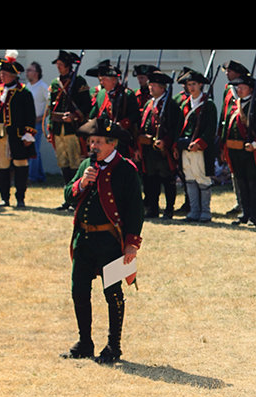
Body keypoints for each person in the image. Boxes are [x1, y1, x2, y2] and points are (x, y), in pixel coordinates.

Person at [61, 114, 143, 366]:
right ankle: (85, 342)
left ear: (112, 144)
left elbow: (135, 210)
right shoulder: (86, 165)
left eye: (98, 142)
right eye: (91, 141)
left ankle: (113, 346)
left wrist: (131, 243)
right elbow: (68, 195)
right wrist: (81, 183)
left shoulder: (126, 169)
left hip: (110, 241)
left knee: (112, 293)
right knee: (79, 291)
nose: (92, 146)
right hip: (84, 239)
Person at [0, 51, 38, 209]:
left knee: (21, 166)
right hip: (1, 135)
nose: (2, 76)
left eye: (5, 74)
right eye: (1, 73)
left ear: (13, 75)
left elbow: (30, 115)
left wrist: (29, 134)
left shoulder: (24, 92)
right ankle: (4, 198)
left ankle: (20, 198)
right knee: (2, 167)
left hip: (19, 135)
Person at [220, 74, 256, 227]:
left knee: (252, 183)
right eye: (238, 87)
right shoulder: (236, 105)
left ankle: (253, 215)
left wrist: (255, 144)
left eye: (242, 87)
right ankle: (245, 212)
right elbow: (226, 127)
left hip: (250, 150)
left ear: (250, 89)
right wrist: (223, 147)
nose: (239, 90)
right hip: (235, 150)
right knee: (241, 182)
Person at [48, 51, 92, 212]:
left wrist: (74, 115)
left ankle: (77, 198)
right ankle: (68, 197)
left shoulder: (79, 82)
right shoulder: (55, 83)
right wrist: (50, 127)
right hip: (58, 129)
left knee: (75, 165)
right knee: (64, 164)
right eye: (57, 65)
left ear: (68, 65)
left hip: (73, 130)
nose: (58, 68)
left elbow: (87, 105)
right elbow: (50, 106)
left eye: (60, 65)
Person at [174, 70, 217, 224]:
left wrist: (199, 143)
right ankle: (194, 211)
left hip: (200, 149)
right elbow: (180, 126)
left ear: (200, 85)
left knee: (202, 178)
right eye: (188, 84)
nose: (190, 87)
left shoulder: (208, 105)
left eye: (193, 84)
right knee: (190, 178)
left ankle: (205, 211)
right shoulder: (185, 104)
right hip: (186, 146)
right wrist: (177, 144)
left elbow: (211, 128)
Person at [138, 71, 182, 219]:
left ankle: (169, 209)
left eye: (155, 86)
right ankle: (152, 208)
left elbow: (176, 128)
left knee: (167, 180)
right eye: (150, 85)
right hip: (149, 149)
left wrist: (167, 143)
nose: (151, 88)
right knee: (150, 180)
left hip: (164, 150)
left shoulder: (171, 106)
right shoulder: (148, 104)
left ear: (163, 88)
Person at [25, 62, 49, 183]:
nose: (27, 72)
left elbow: (49, 105)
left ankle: (32, 176)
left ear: (36, 73)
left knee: (34, 149)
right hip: (27, 123)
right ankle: (39, 175)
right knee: (31, 149)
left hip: (37, 123)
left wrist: (41, 118)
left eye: (30, 70)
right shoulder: (27, 86)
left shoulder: (42, 86)